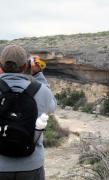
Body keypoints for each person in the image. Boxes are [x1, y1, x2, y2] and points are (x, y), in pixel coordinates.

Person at [0, 44, 57, 180]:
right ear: (26, 66)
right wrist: (38, 74)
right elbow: (52, 107)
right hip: (31, 167)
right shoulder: (41, 91)